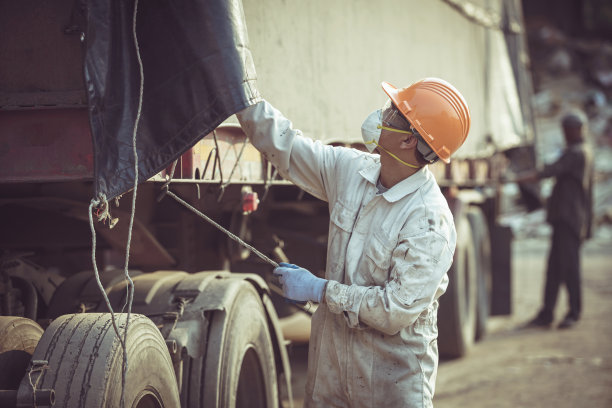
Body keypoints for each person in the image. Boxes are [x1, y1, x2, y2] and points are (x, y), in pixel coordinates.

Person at [236, 78, 470, 408]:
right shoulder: (351, 171)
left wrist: (319, 290)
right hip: (330, 381)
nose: (382, 116)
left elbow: (394, 310)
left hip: (391, 388)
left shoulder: (429, 222)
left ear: (407, 141)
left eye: (393, 113)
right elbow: (286, 147)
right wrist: (241, 96)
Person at [520, 111, 594, 330]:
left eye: (568, 129)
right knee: (554, 269)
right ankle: (547, 313)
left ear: (577, 130)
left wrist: (521, 177)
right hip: (565, 221)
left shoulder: (578, 153)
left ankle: (573, 312)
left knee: (569, 269)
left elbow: (550, 171)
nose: (565, 133)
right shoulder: (579, 151)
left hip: (569, 221)